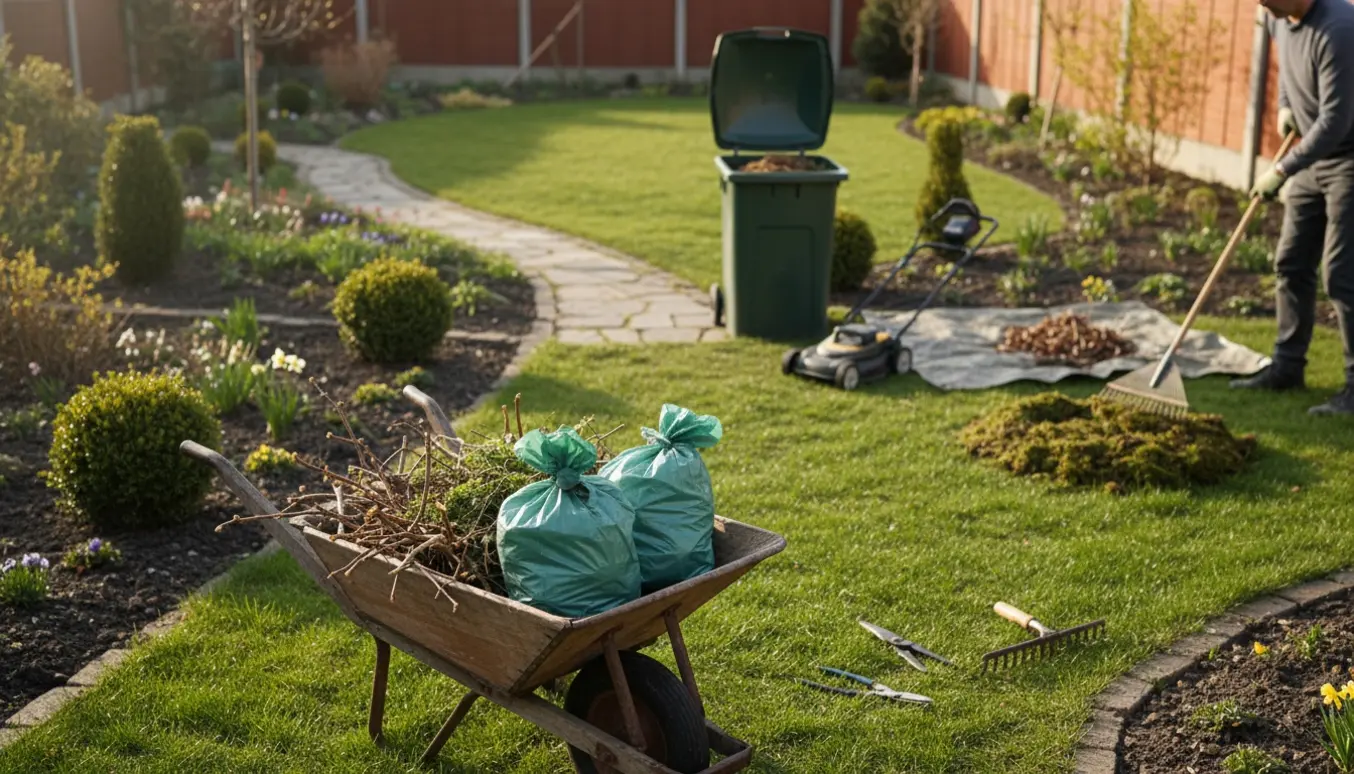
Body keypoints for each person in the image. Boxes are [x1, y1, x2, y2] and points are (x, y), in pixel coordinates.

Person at [1231, 0, 1354, 415]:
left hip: (1349, 162)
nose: (1264, 5)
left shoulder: (1340, 27)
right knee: (1290, 263)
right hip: (1311, 159)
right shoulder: (1277, 15)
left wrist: (1282, 168)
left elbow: (1336, 119)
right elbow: (1286, 66)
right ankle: (1286, 368)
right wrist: (1287, 104)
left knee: (1342, 275)